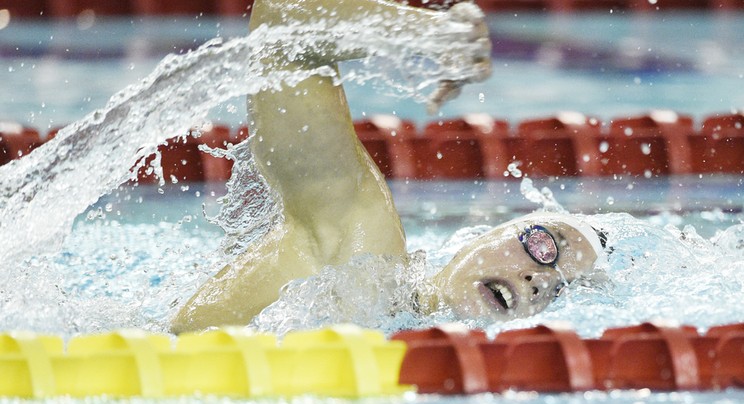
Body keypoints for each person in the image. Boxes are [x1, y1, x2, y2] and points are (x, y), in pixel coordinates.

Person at [170, 0, 601, 333]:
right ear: (483, 236)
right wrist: (424, 33)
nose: (538, 281)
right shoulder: (362, 247)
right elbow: (283, 21)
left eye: (560, 290)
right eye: (545, 248)